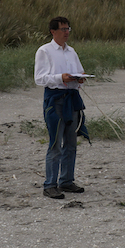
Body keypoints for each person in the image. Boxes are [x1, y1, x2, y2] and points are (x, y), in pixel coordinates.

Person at [34, 16, 90, 200]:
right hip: (55, 100)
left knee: (71, 143)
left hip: (72, 99)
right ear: (53, 31)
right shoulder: (44, 51)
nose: (66, 32)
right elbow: (39, 78)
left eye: (68, 29)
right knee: (55, 143)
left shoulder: (71, 51)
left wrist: (80, 77)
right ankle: (50, 185)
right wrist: (60, 77)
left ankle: (66, 180)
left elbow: (79, 71)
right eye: (63, 29)